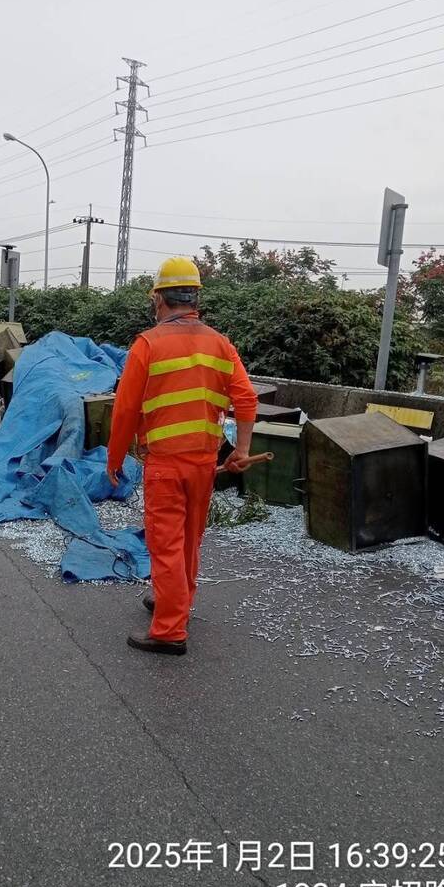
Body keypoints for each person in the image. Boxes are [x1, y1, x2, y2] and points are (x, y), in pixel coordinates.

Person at [107, 256, 258, 655]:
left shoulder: (147, 345)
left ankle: (170, 630)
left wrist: (114, 458)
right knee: (190, 538)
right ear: (194, 299)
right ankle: (176, 600)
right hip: (204, 462)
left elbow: (124, 409)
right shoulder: (220, 344)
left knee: (166, 542)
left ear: (159, 299)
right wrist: (240, 449)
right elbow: (246, 398)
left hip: (166, 465)